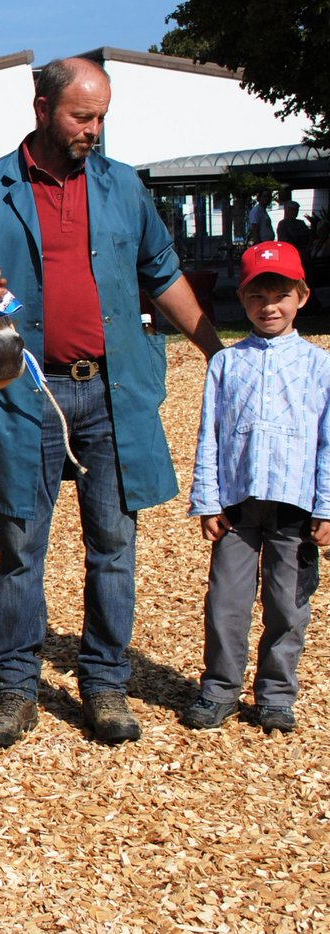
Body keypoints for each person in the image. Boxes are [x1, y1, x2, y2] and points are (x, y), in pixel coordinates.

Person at [0, 57, 224, 747]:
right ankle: (15, 690)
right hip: (25, 395)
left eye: (101, 116)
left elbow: (161, 273)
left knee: (114, 544)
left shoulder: (122, 186)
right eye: (82, 116)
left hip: (111, 392)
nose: (94, 130)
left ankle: (105, 684)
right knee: (21, 546)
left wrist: (217, 352)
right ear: (42, 107)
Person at [182, 242, 330, 734]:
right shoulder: (227, 364)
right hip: (238, 508)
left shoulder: (319, 366)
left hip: (295, 506)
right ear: (242, 300)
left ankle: (275, 695)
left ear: (302, 297)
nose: (270, 306)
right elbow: (211, 434)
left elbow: (328, 440)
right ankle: (219, 690)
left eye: (281, 294)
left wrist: (326, 505)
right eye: (257, 295)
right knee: (226, 603)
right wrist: (206, 499)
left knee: (288, 606)